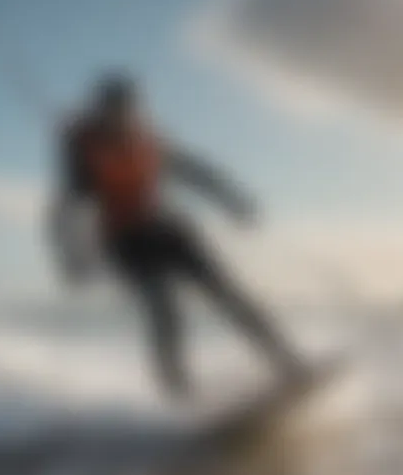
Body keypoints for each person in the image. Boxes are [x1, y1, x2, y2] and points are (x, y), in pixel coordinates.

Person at [51, 71, 307, 399]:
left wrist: (233, 200)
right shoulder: (83, 150)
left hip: (168, 231)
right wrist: (70, 258)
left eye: (128, 110)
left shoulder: (148, 142)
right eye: (114, 111)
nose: (122, 117)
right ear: (101, 112)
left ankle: (288, 363)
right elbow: (71, 204)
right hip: (126, 243)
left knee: (230, 295)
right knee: (164, 310)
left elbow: (196, 172)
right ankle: (179, 393)